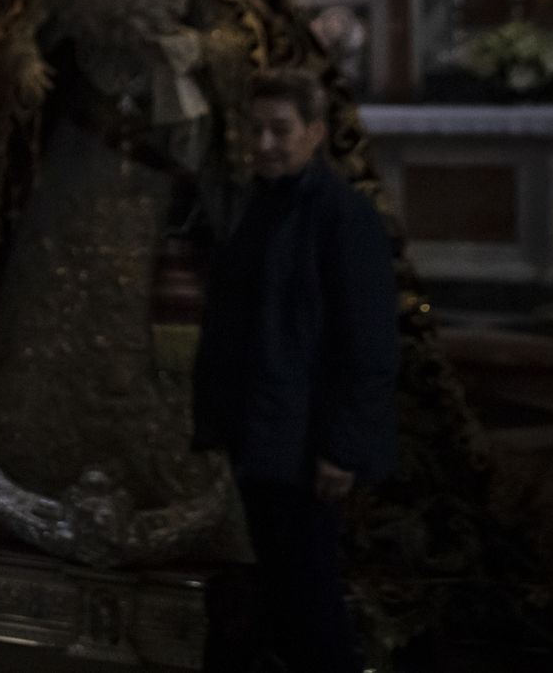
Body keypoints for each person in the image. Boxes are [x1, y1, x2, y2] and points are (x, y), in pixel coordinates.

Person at [191, 68, 400, 673]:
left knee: (311, 605)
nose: (263, 145)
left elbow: (368, 347)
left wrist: (341, 448)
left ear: (315, 133)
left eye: (279, 130)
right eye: (253, 130)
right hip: (263, 433)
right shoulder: (259, 205)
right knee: (282, 594)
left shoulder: (344, 217)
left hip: (308, 444)